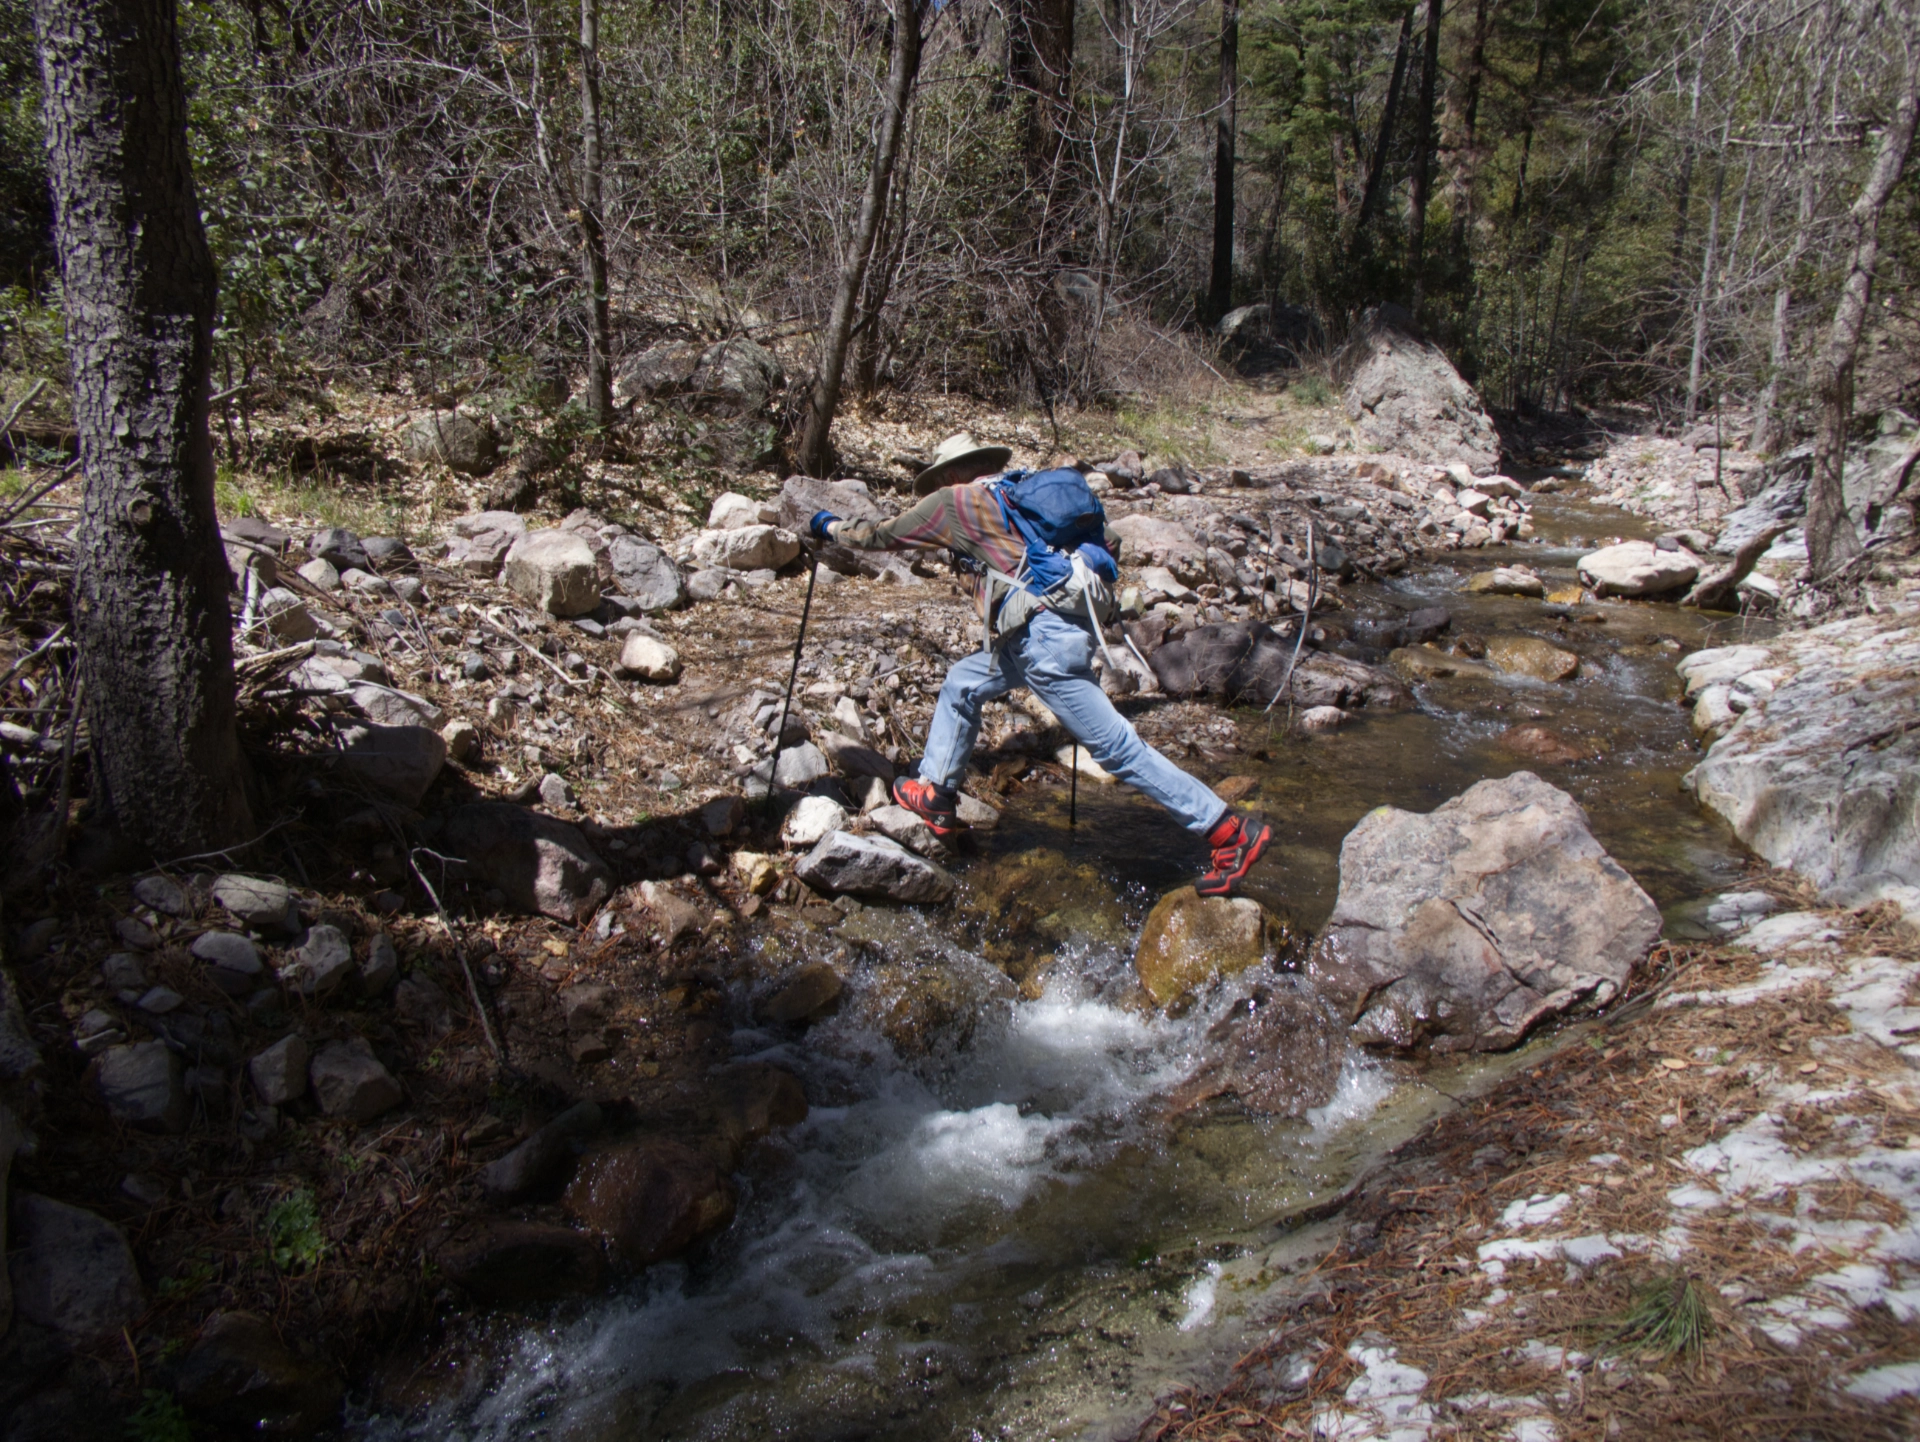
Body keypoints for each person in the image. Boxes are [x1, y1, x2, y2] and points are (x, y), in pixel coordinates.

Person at [808, 433, 1271, 898]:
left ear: (949, 474)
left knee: (1118, 751)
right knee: (963, 683)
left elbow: (879, 535)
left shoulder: (953, 501)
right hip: (1052, 630)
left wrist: (828, 526)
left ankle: (1228, 832)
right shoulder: (1019, 491)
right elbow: (1110, 540)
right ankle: (936, 793)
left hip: (1041, 641)